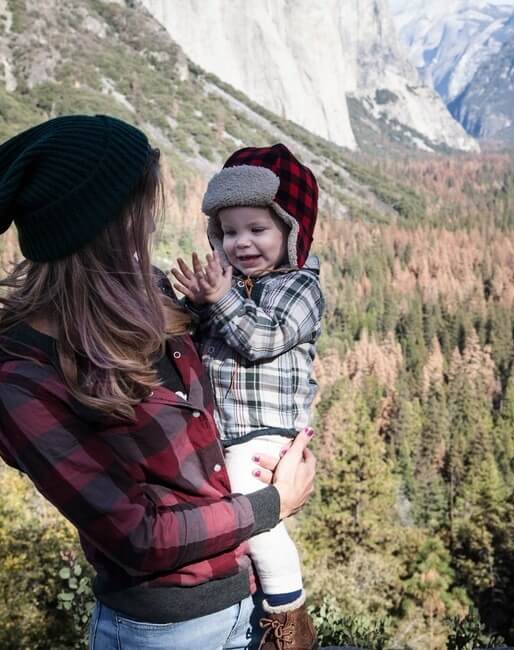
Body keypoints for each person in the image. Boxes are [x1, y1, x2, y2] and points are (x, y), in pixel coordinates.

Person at [0, 115, 317, 650]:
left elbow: (246, 371)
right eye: (139, 211)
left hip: (247, 603)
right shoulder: (23, 379)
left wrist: (283, 445)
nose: (148, 228)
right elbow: (138, 537)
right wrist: (272, 504)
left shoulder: (156, 294)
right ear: (98, 223)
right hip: (165, 632)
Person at [171, 144, 324, 650]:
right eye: (229, 232)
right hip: (226, 432)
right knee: (225, 514)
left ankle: (287, 621)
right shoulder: (230, 286)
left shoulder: (301, 288)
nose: (242, 243)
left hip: (268, 433)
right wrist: (192, 303)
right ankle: (251, 608)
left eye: (257, 229)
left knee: (250, 511)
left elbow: (262, 340)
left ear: (291, 230)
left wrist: (219, 299)